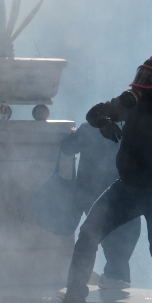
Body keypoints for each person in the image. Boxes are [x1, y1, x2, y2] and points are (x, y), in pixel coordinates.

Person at [47, 55, 152, 303]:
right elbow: (95, 113)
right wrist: (106, 123)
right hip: (127, 188)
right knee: (88, 235)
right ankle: (73, 302)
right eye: (141, 76)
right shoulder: (133, 103)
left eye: (148, 78)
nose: (142, 83)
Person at [61, 120, 142, 289]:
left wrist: (73, 133)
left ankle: (91, 283)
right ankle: (117, 276)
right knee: (124, 234)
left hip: (94, 192)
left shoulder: (91, 127)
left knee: (93, 237)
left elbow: (67, 147)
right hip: (128, 190)